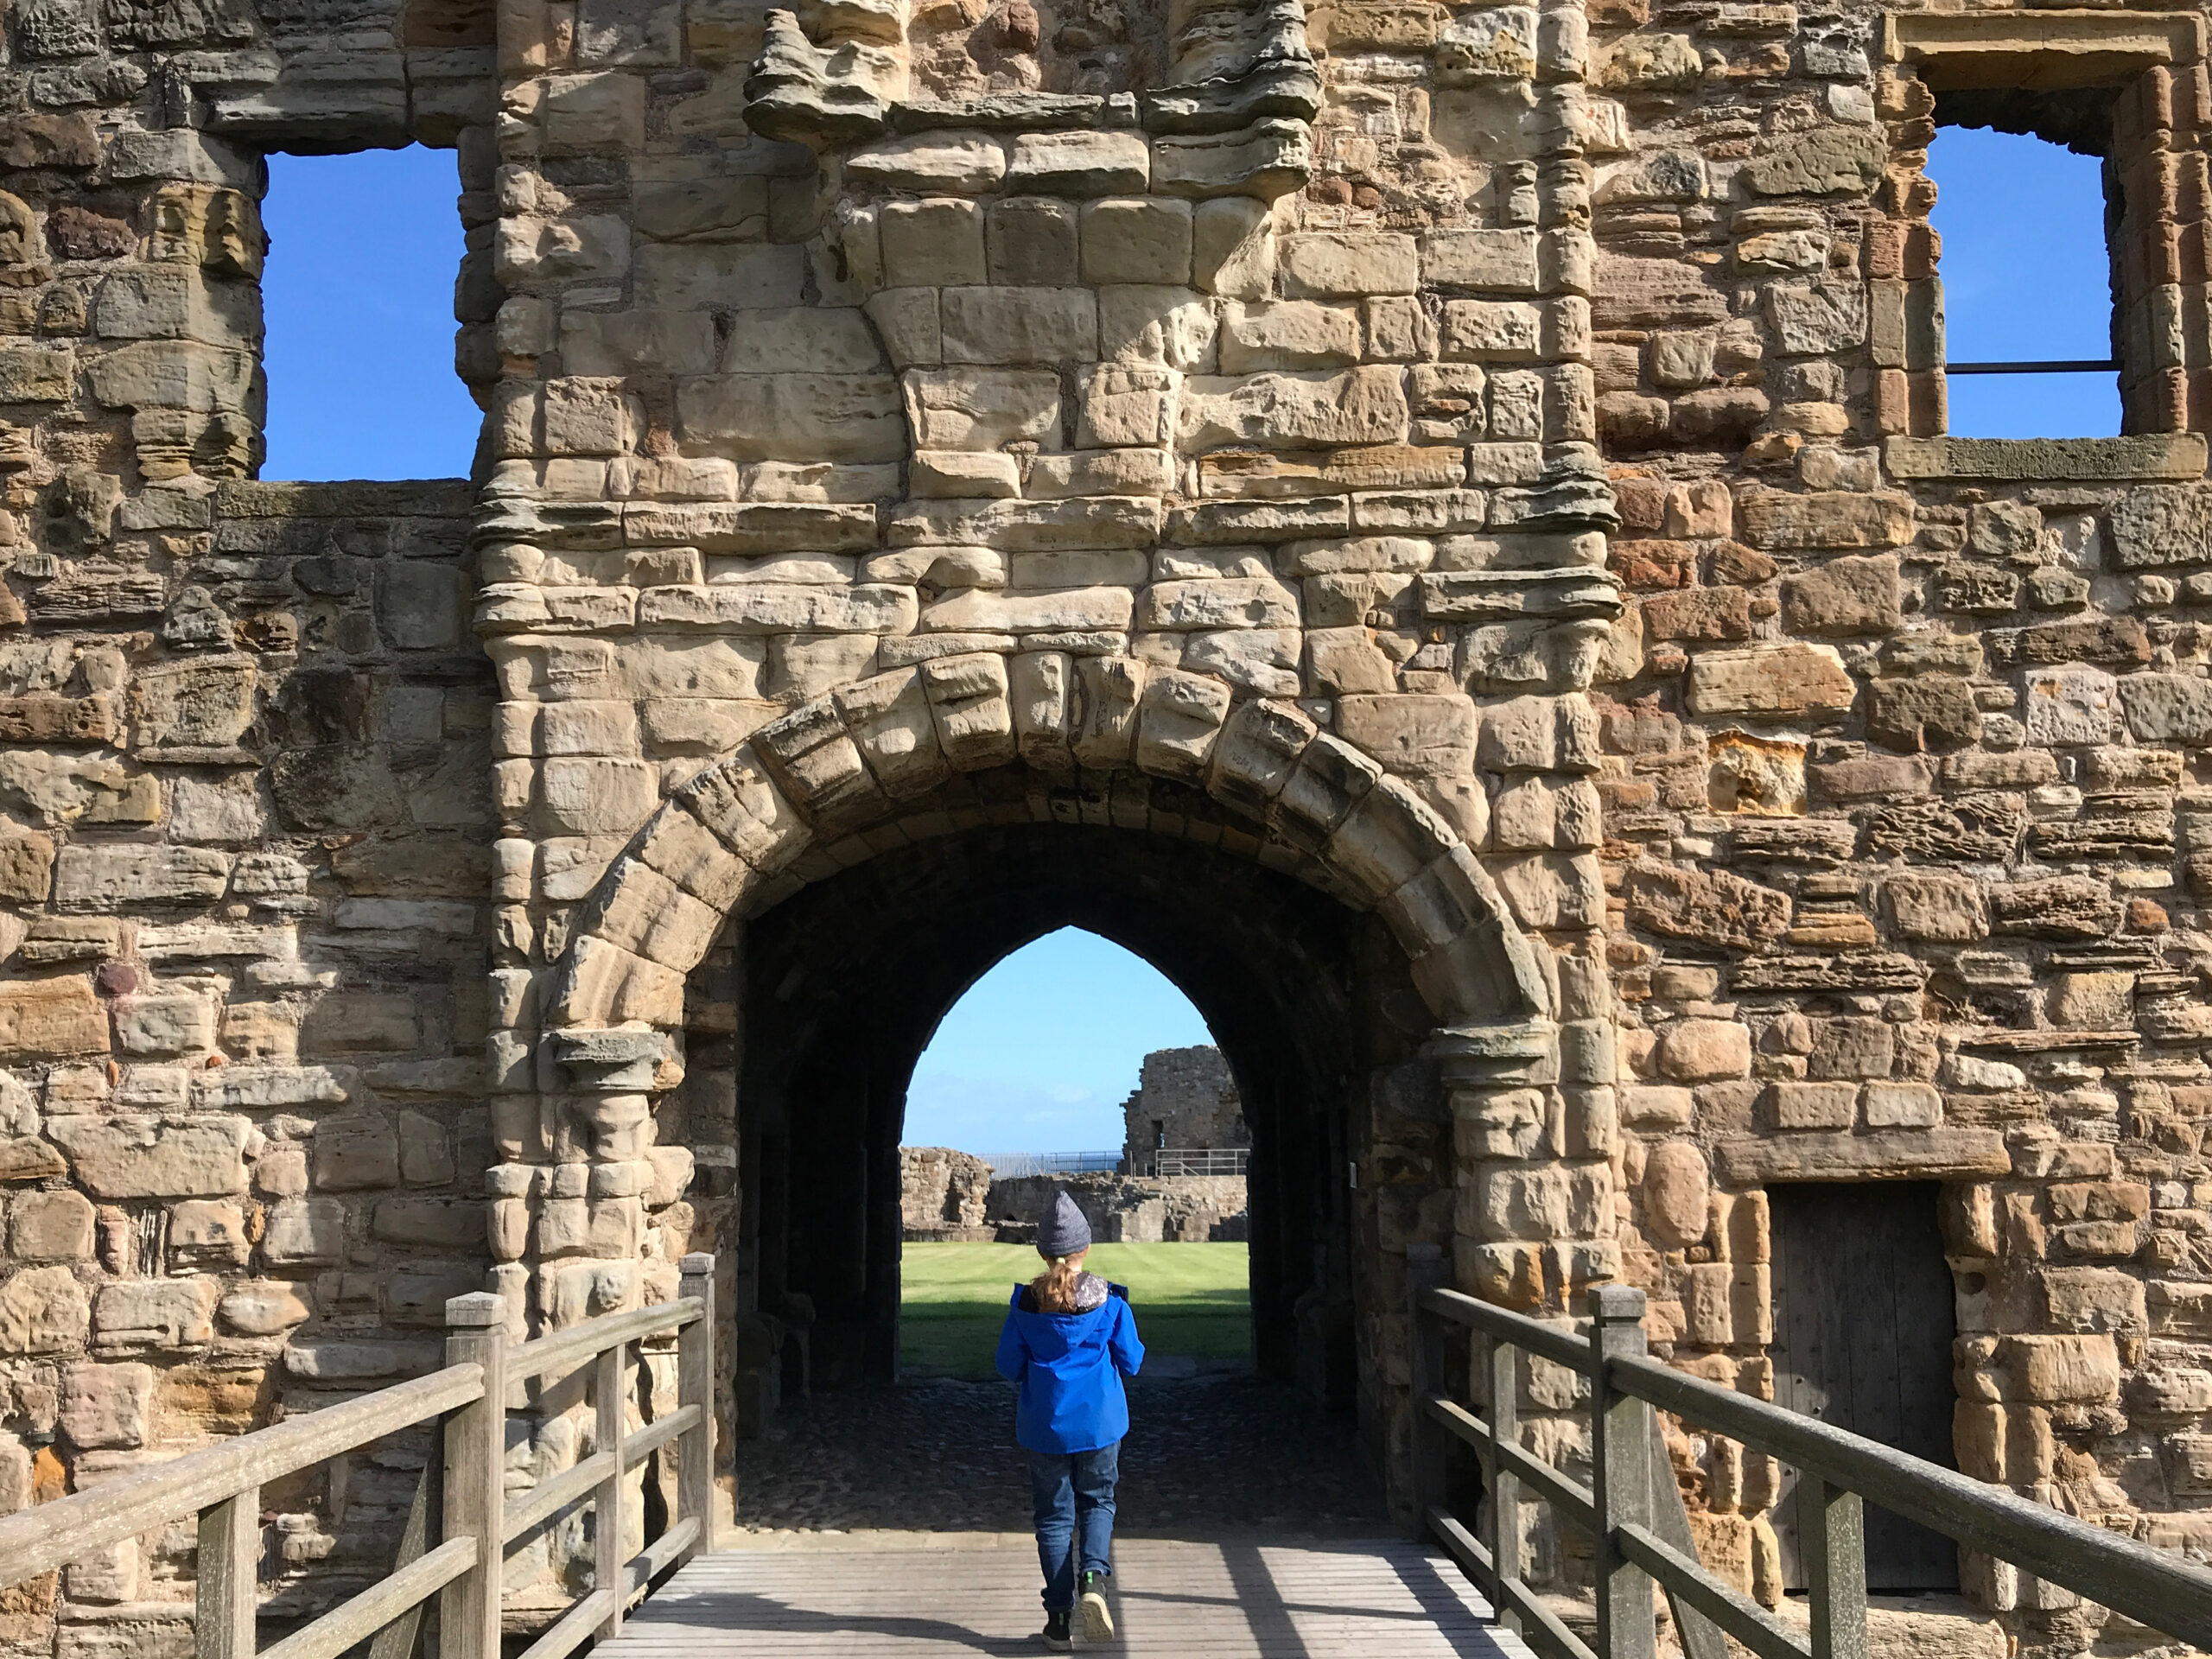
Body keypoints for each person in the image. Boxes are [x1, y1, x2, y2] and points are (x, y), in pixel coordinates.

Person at [995, 1190, 1145, 1650]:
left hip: (1045, 1426)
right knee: (1098, 1502)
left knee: (1054, 1520)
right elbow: (1133, 1361)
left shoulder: (1026, 1308)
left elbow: (1006, 1365)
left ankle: (1059, 1620)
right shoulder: (1111, 1305)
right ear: (1085, 1249)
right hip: (1099, 1423)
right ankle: (1095, 1581)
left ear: (1042, 1252)